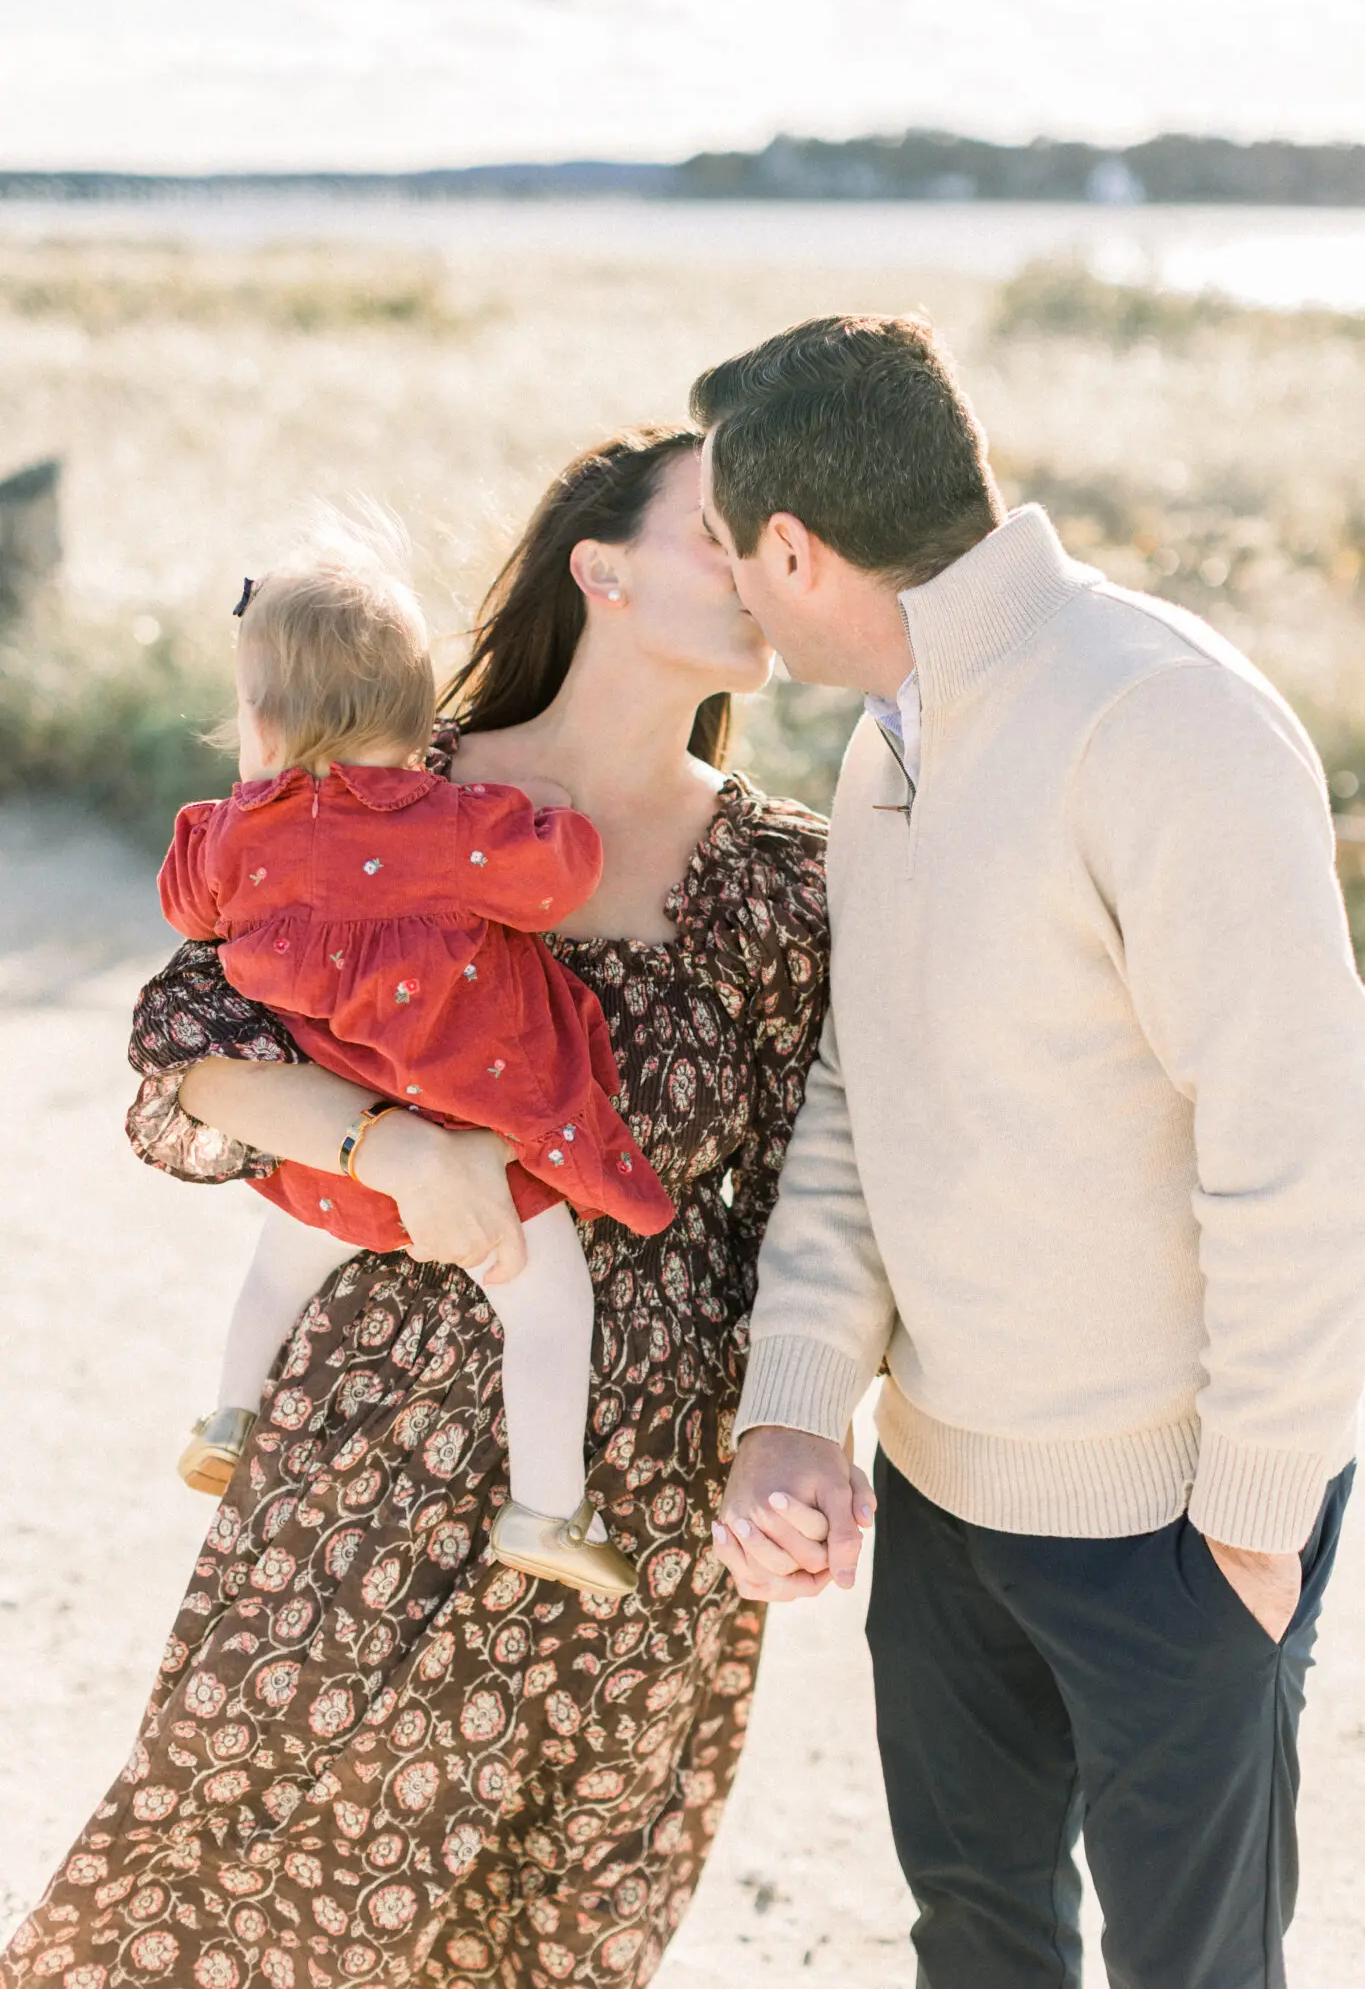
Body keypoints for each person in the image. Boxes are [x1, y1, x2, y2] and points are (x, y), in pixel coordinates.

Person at [2, 426, 830, 1989]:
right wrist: (393, 1149)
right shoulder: (386, 777)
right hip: (369, 1451)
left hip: (624, 1511)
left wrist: (798, 1432)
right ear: (601, 572)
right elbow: (195, 1039)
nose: (769, 561)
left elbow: (817, 1203)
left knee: (545, 1922)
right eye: (721, 531)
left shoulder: (794, 882)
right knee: (236, 1868)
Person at [699, 315, 1365, 1988]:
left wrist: (1257, 1524)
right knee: (979, 1943)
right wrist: (799, 1398)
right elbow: (863, 1090)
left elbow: (1302, 1137)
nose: (730, 584)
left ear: (799, 546)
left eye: (730, 545)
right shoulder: (881, 745)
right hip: (942, 1497)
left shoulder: (1165, 719)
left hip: (1177, 1530)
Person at [160, 524, 676, 1598]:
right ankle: (545, 1505)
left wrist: (228, 825)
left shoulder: (236, 840)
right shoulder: (454, 829)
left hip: (339, 1153)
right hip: (476, 1137)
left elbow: (187, 905)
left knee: (274, 1268)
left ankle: (229, 1409)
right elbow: (556, 882)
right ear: (419, 713)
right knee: (548, 1310)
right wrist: (564, 821)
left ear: (260, 723)